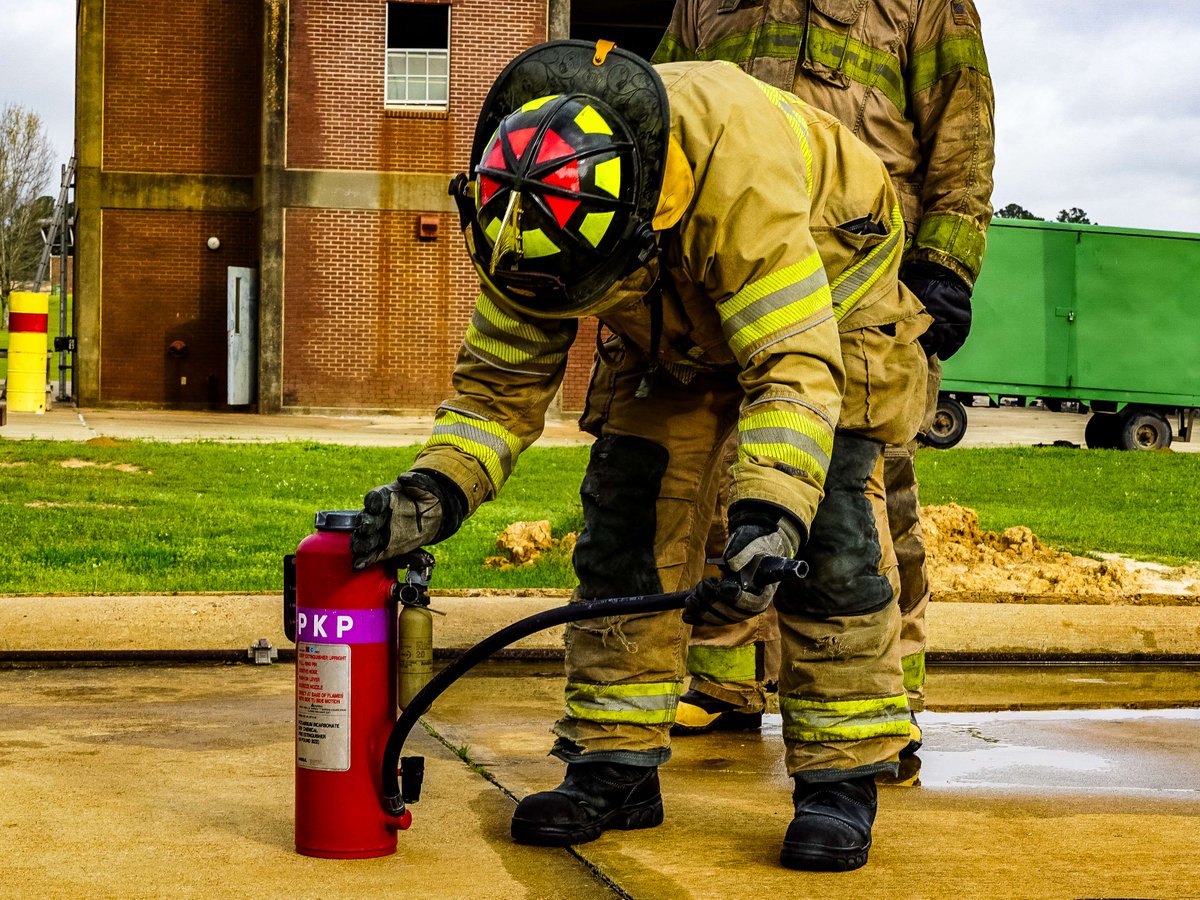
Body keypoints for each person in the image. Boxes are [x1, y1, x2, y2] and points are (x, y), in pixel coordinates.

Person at [351, 39, 929, 871]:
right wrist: (432, 492)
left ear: (642, 221)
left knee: (828, 530)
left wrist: (768, 515)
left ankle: (840, 777)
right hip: (670, 320)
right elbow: (495, 393)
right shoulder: (526, 205)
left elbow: (791, 369)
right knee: (627, 521)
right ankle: (615, 763)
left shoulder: (737, 179)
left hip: (832, 283)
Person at [654, 0, 996, 747]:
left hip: (862, 276)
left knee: (865, 494)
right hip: (734, 279)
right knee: (732, 484)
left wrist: (946, 263)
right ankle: (724, 677)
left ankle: (884, 700)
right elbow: (661, 101)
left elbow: (962, 128)